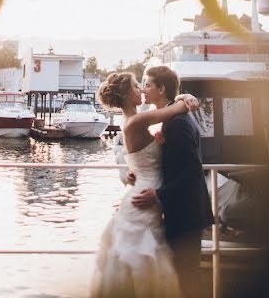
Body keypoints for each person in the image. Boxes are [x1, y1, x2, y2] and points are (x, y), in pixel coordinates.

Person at [91, 72, 200, 298]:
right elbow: (177, 109)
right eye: (136, 86)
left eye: (143, 85)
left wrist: (135, 169)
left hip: (146, 190)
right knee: (143, 258)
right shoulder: (138, 121)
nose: (141, 89)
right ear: (127, 94)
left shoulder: (134, 122)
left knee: (146, 257)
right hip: (146, 198)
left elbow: (138, 156)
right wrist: (186, 96)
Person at [131, 66, 214, 298]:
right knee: (181, 276)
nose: (144, 90)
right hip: (183, 211)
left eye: (148, 85)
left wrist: (158, 194)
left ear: (161, 89)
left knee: (186, 278)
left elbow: (191, 173)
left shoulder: (177, 122)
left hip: (185, 213)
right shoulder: (174, 117)